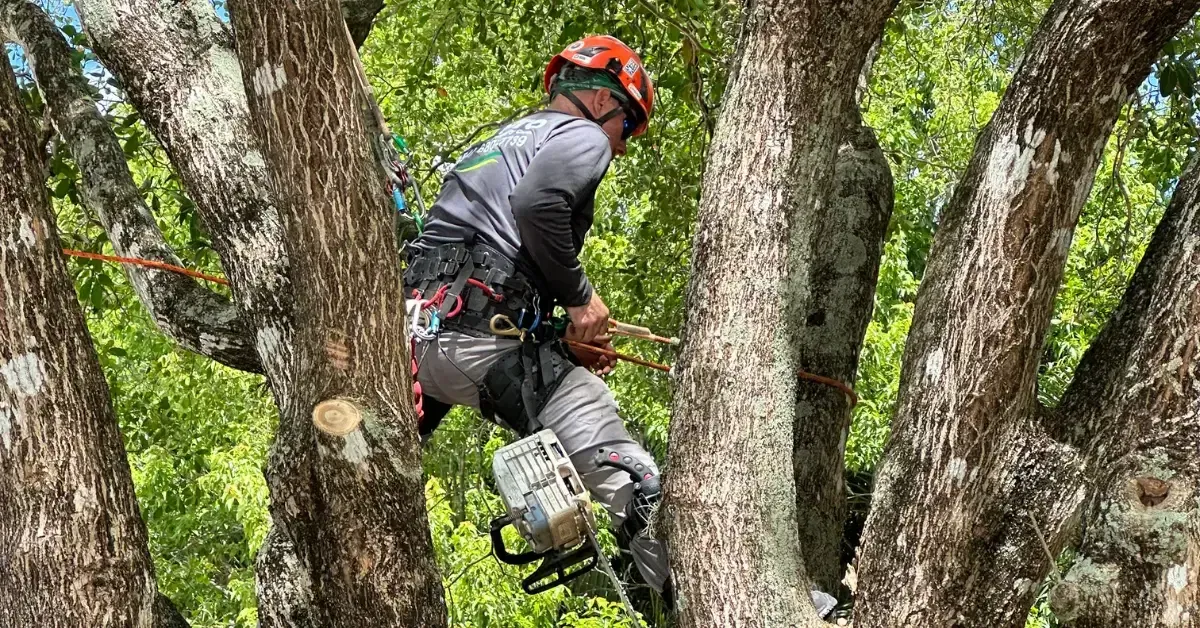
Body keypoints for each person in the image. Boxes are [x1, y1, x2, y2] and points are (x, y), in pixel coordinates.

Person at [402, 35, 669, 596]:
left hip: (413, 334)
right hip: (471, 337)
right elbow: (538, 206)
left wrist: (562, 342)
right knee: (626, 464)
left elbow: (492, 257)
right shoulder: (582, 135)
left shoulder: (499, 144)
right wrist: (580, 298)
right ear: (602, 103)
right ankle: (704, 586)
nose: (619, 148)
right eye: (626, 127)